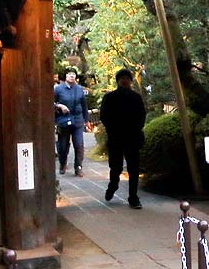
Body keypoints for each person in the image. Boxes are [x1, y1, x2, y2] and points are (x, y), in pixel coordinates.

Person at [100, 68, 146, 209]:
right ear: (118, 81)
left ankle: (133, 197)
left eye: (127, 78)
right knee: (116, 167)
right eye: (122, 78)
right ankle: (112, 186)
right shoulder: (109, 97)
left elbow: (142, 116)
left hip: (133, 137)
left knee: (133, 169)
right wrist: (112, 130)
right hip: (115, 138)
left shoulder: (136, 97)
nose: (125, 80)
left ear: (130, 81)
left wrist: (136, 129)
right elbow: (104, 116)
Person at [54, 68, 89, 176]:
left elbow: (84, 105)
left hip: (77, 121)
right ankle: (63, 163)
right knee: (63, 146)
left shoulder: (79, 89)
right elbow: (50, 103)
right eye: (69, 74)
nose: (72, 76)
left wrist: (86, 120)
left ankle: (78, 167)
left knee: (79, 145)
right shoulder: (58, 89)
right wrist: (59, 106)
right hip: (63, 120)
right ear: (65, 76)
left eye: (73, 74)